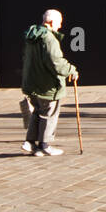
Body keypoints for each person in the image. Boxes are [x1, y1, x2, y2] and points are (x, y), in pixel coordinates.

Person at [21, 9, 78, 157]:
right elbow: (56, 62)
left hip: (32, 82)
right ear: (51, 22)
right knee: (49, 113)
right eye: (59, 23)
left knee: (38, 112)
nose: (60, 26)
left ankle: (31, 143)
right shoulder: (49, 38)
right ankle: (44, 145)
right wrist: (71, 70)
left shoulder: (33, 36)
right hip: (47, 84)